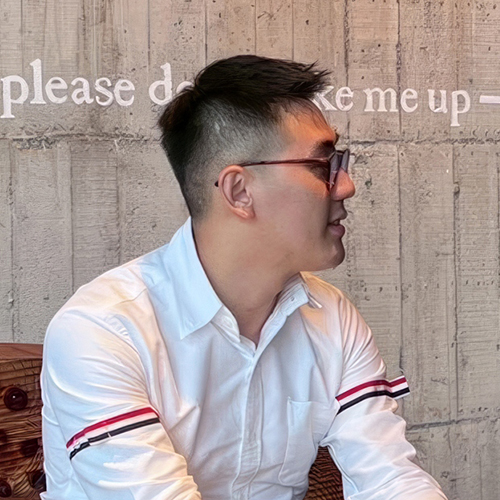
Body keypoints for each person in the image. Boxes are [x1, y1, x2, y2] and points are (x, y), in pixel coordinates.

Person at [40, 55, 447, 500]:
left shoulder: (331, 317)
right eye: (322, 165)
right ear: (239, 191)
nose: (346, 185)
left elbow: (390, 479)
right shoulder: (102, 330)